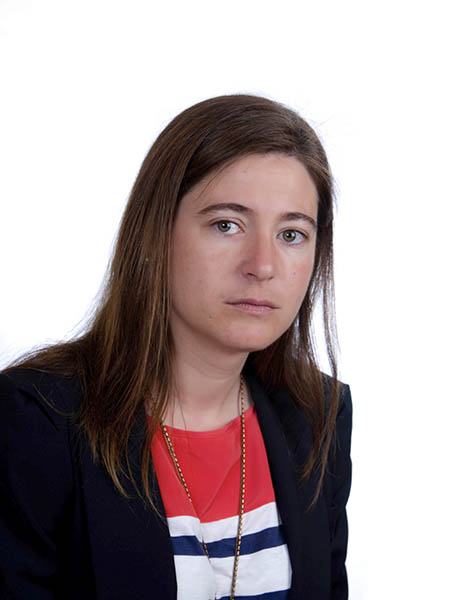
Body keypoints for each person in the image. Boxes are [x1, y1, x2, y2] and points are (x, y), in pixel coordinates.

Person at [0, 94, 352, 600]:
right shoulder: (34, 421)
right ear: (155, 234)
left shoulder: (319, 414)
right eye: (226, 225)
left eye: (292, 234)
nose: (263, 265)